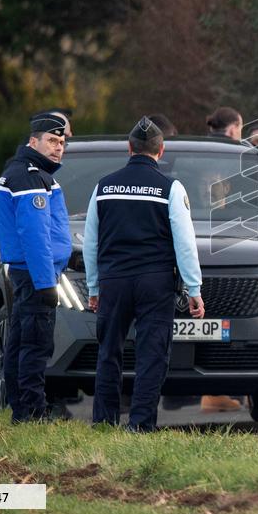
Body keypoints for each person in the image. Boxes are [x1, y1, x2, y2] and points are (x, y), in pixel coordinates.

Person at [82, 117, 205, 432]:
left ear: (129, 148)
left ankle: (104, 420)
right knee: (152, 354)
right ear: (161, 151)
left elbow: (90, 243)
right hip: (155, 282)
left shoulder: (104, 187)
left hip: (114, 281)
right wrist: (194, 289)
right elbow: (185, 244)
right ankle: (140, 424)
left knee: (109, 351)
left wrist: (93, 288)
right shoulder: (171, 188)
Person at [0, 112, 71, 423]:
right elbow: (35, 236)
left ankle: (21, 409)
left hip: (28, 274)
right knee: (36, 345)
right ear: (33, 141)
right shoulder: (29, 176)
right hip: (35, 274)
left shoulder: (26, 172)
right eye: (52, 141)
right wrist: (45, 283)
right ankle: (33, 412)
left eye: (62, 143)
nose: (58, 148)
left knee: (21, 342)